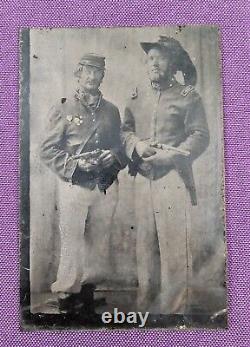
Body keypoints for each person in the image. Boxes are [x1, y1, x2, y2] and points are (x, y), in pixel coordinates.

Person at [122, 36, 210, 315]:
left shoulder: (188, 96)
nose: (153, 63)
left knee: (173, 247)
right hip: (143, 176)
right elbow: (125, 130)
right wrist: (137, 145)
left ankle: (173, 312)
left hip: (171, 177)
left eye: (159, 58)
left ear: (172, 64)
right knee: (144, 244)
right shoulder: (136, 96)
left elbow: (200, 135)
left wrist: (170, 156)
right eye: (150, 59)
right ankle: (145, 306)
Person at [40, 53, 126, 318]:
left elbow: (120, 147)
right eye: (86, 71)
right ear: (77, 75)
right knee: (72, 238)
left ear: (103, 76)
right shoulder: (62, 107)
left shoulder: (112, 110)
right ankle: (67, 295)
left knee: (99, 239)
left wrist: (113, 156)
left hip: (105, 184)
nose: (91, 76)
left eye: (96, 72)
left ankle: (88, 289)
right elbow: (46, 150)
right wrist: (76, 167)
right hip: (74, 184)